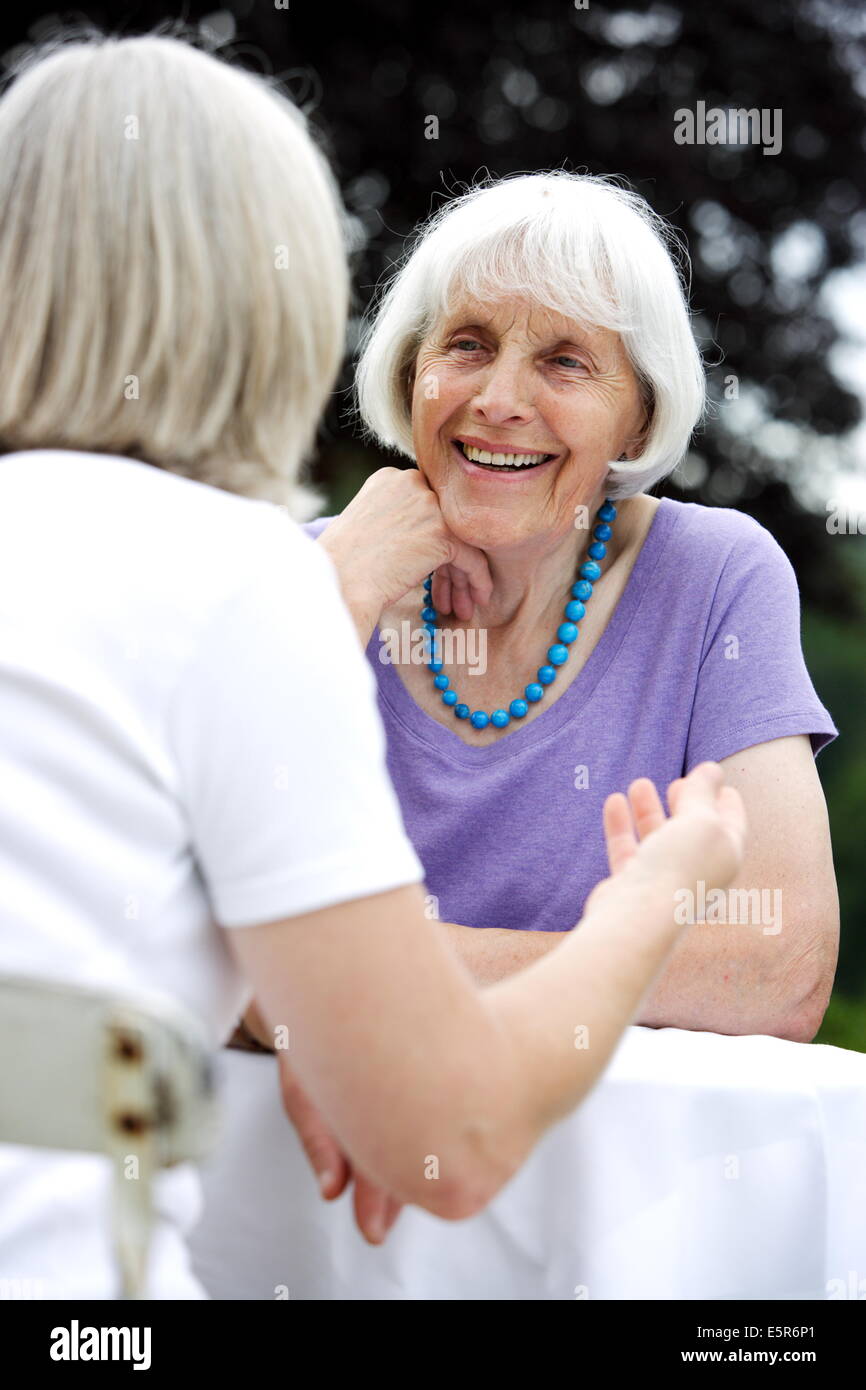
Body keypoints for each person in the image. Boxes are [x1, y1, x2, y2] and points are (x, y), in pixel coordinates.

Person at [0, 33, 745, 1298]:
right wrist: (654, 897)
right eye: (464, 345)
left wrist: (323, 1013)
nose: (501, 397)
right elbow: (451, 1140)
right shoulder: (242, 586)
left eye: (563, 359)